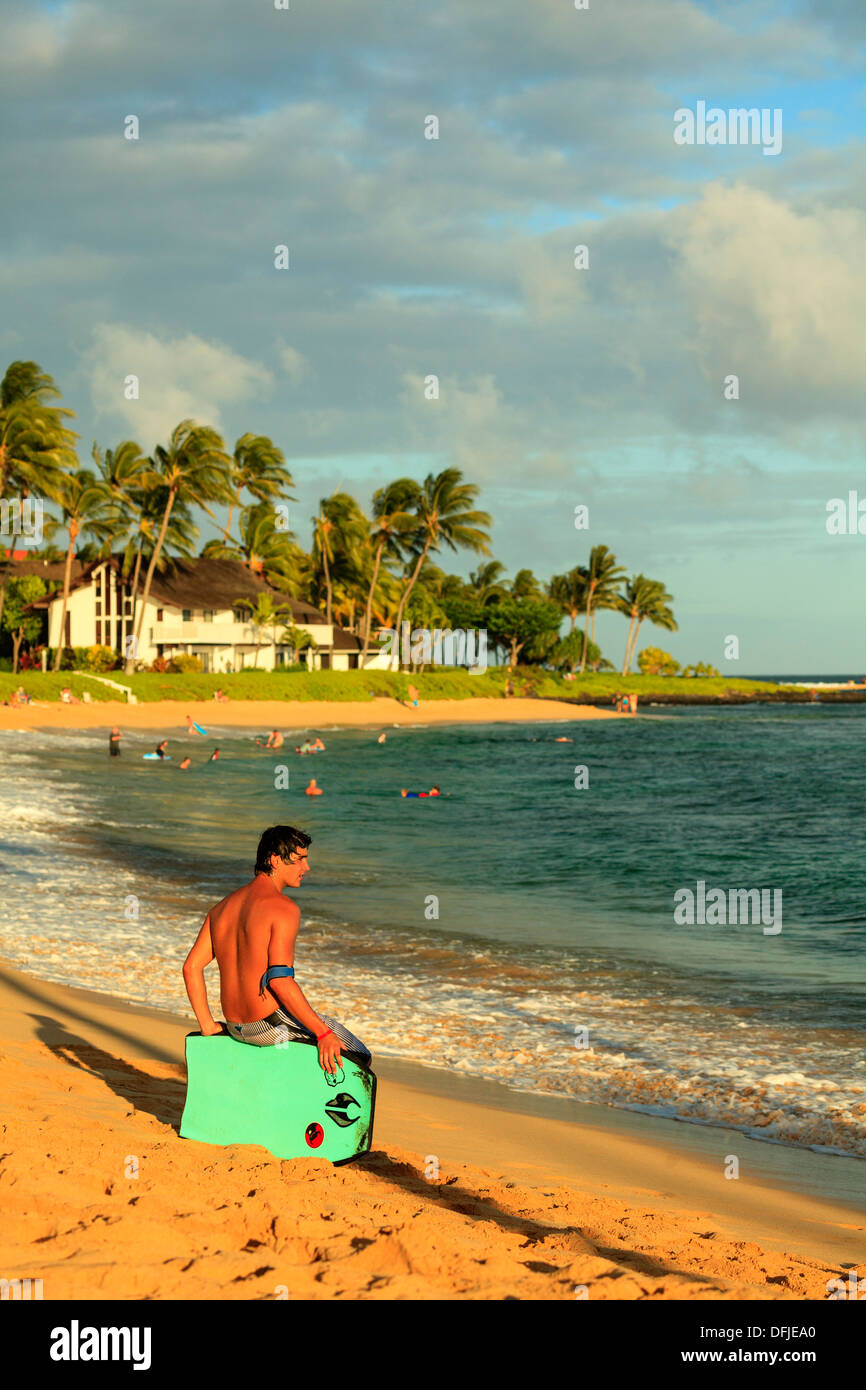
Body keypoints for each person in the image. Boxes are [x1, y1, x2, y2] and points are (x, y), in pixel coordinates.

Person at [181, 825, 371, 1075]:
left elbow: (191, 967)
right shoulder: (284, 908)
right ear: (274, 860)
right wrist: (323, 1033)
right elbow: (280, 981)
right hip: (269, 1028)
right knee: (357, 1056)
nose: (306, 868)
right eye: (299, 860)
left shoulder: (220, 909)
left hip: (237, 1027)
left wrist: (207, 1024)